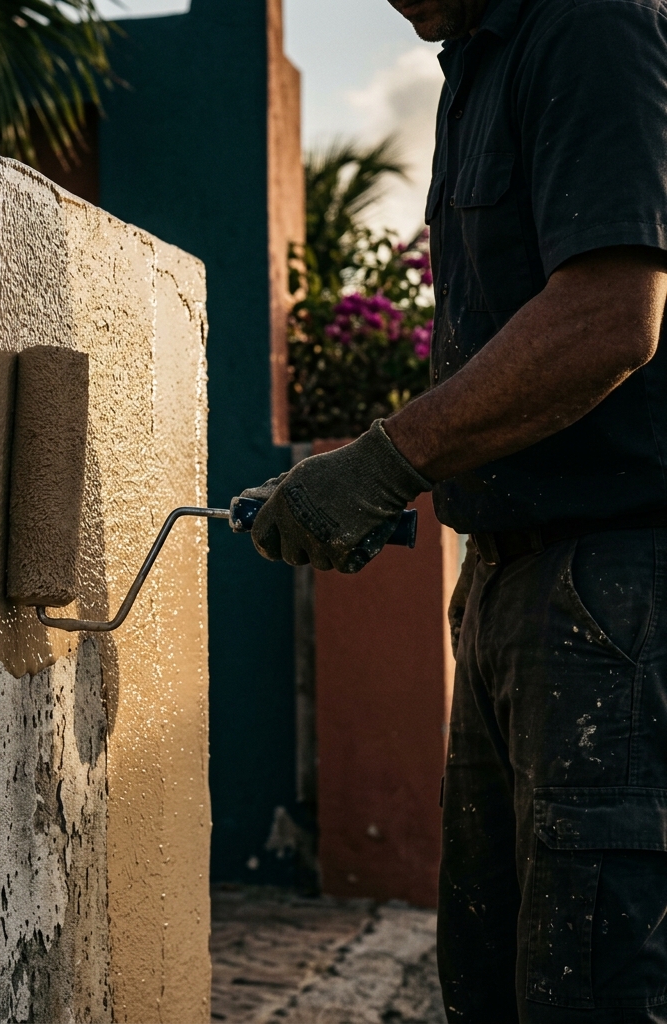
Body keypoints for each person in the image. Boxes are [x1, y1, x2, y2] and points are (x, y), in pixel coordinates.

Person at [244, 0, 667, 1019]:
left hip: (613, 590)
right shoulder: (477, 64)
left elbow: (612, 315)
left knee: (593, 979)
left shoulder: (589, 22)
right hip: (511, 589)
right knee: (490, 980)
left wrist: (380, 464)